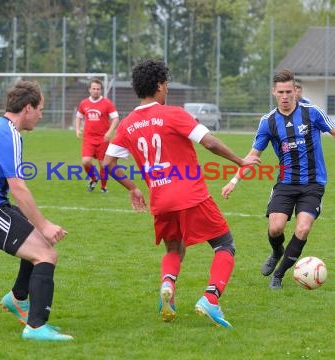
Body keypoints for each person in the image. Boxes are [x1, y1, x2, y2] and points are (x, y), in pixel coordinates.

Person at [103, 59, 259, 328]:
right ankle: (211, 298)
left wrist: (132, 188)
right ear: (160, 86)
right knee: (225, 245)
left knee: (174, 248)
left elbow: (107, 164)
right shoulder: (173, 114)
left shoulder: (127, 124)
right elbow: (209, 142)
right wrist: (240, 161)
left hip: (160, 200)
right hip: (191, 195)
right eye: (166, 85)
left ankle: (168, 286)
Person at [221, 68, 335, 290]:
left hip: (313, 183)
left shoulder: (311, 112)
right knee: (275, 229)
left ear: (296, 91)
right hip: (285, 183)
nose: (285, 97)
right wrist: (233, 181)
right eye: (280, 92)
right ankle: (276, 251)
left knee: (302, 228)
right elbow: (253, 156)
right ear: (274, 92)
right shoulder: (268, 122)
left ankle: (279, 275)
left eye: (289, 92)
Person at [0, 80, 73, 341]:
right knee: (46, 253)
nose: (41, 115)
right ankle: (35, 327)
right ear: (27, 108)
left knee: (40, 241)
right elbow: (18, 188)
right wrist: (43, 224)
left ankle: (17, 298)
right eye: (40, 109)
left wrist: (40, 226)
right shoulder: (8, 133)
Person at [75, 78, 120, 193]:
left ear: (101, 90)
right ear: (89, 90)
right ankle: (93, 179)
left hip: (103, 139)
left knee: (103, 164)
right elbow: (79, 117)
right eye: (93, 89)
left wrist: (109, 132)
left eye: (98, 89)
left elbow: (115, 118)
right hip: (88, 138)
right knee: (85, 161)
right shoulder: (84, 103)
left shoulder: (107, 103)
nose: (96, 91)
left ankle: (104, 187)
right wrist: (77, 129)